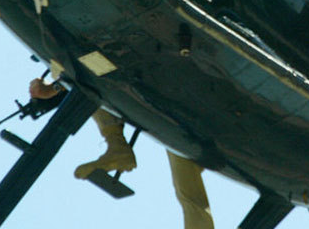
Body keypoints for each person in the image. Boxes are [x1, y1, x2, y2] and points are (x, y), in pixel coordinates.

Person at [29, 78, 215, 229]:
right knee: (191, 198)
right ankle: (117, 148)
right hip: (183, 117)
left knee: (88, 76)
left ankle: (117, 146)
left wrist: (53, 88)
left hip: (187, 103)